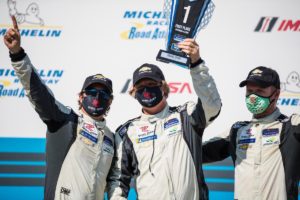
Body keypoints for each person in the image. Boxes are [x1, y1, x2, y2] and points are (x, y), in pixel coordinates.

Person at [3, 16, 115, 200]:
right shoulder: (64, 120)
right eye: (92, 91)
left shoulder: (111, 138)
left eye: (103, 94)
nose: (97, 97)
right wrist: (17, 54)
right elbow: (38, 92)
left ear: (110, 101)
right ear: (81, 96)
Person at [107, 39, 222, 200]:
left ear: (163, 87)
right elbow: (118, 181)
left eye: (151, 83)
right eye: (141, 86)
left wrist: (196, 64)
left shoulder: (186, 116)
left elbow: (212, 105)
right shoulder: (127, 132)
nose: (146, 89)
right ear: (134, 92)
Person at [202, 66, 300, 200]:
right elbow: (196, 152)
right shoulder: (237, 130)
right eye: (250, 91)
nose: (253, 97)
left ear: (276, 94)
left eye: (260, 90)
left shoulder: (292, 125)